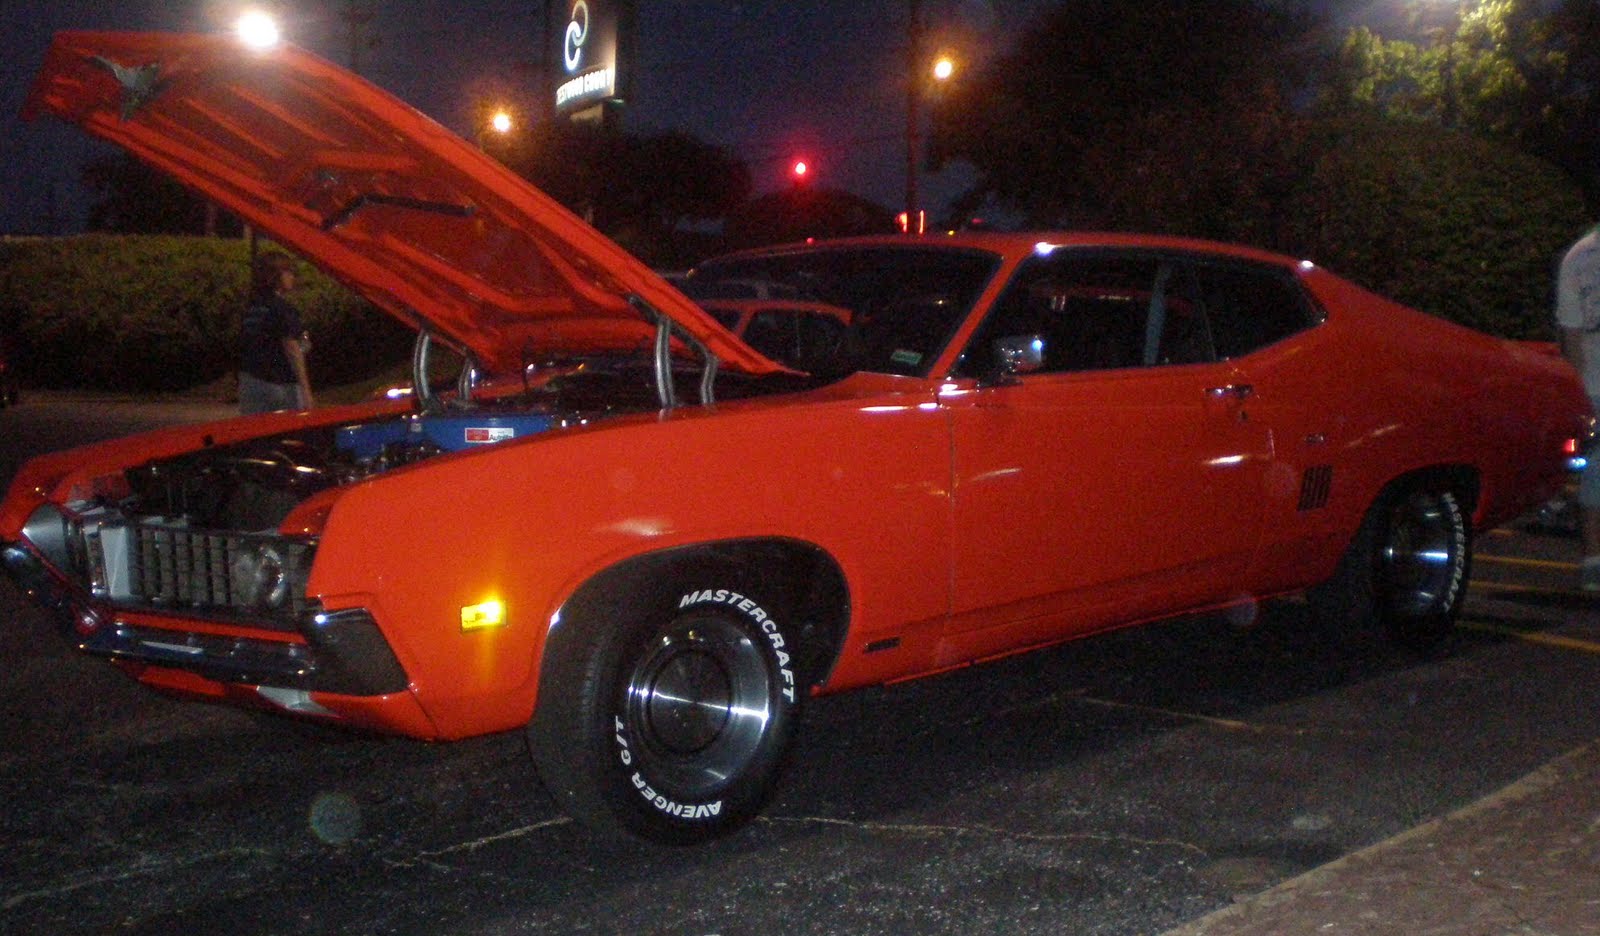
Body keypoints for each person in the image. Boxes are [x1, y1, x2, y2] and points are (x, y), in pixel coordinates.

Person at [1556, 223, 1600, 590]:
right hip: (1595, 386)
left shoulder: (1579, 258)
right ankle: (1592, 563)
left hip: (1592, 385)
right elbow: (1571, 334)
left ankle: (1592, 564)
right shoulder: (1580, 259)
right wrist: (1580, 394)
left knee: (1596, 474)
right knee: (1596, 474)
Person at [239, 251, 314, 414]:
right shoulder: (282, 309)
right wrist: (306, 391)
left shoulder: (252, 308)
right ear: (276, 276)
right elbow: (292, 349)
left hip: (251, 382)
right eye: (288, 271)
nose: (292, 276)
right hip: (280, 384)